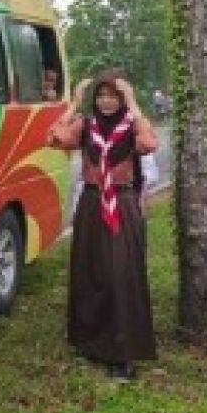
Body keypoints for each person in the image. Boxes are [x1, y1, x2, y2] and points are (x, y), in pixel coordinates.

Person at [48, 71, 160, 381]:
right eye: (101, 95)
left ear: (122, 99)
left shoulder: (130, 128)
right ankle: (92, 341)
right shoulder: (86, 126)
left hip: (121, 204)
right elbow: (53, 137)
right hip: (91, 204)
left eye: (113, 96)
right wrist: (75, 102)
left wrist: (134, 103)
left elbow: (149, 142)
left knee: (119, 274)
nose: (107, 101)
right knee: (90, 271)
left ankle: (122, 354)